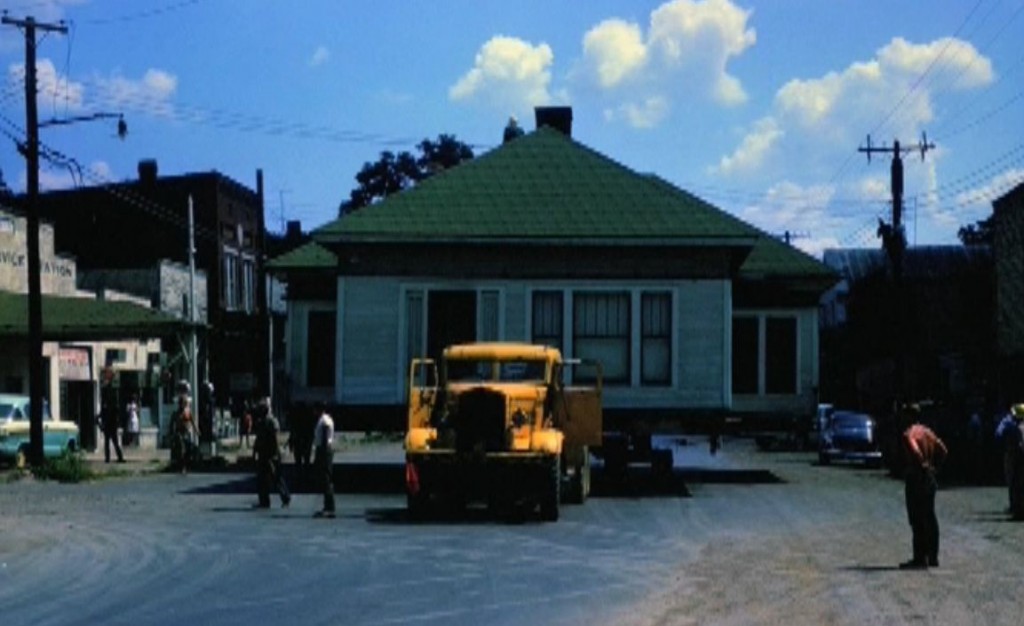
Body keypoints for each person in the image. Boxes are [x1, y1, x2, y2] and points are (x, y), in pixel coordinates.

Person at [899, 404, 948, 569]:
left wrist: (922, 464)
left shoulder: (908, 434)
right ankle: (933, 556)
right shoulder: (927, 432)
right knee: (930, 516)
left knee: (917, 518)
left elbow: (915, 450)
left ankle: (920, 557)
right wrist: (935, 467)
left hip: (916, 477)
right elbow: (943, 450)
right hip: (930, 479)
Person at [252, 397, 290, 509]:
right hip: (263, 454)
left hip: (270, 454)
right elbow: (258, 439)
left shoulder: (272, 421)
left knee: (275, 477)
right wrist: (255, 452)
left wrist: (276, 453)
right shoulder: (261, 421)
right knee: (262, 479)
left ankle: (285, 497)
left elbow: (275, 439)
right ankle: (264, 501)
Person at [995, 404, 1024, 516]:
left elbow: (998, 434)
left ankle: (1017, 508)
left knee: (1015, 482)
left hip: (1017, 458)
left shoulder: (1014, 427)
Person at [312, 402, 336, 518]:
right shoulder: (324, 419)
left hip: (324, 451)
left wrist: (320, 455)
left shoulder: (324, 421)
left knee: (326, 479)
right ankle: (328, 505)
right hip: (324, 450)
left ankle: (329, 506)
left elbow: (325, 439)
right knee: (325, 478)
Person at [170, 391, 199, 474]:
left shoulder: (187, 412)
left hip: (187, 433)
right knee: (181, 449)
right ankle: (181, 466)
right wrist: (171, 433)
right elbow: (172, 423)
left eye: (184, 403)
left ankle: (186, 465)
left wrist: (196, 431)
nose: (183, 405)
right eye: (181, 403)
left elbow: (192, 422)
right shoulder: (175, 414)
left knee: (188, 450)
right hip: (179, 433)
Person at [100, 395, 125, 463]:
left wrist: (102, 425)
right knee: (114, 443)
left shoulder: (107, 408)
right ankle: (118, 457)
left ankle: (108, 458)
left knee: (109, 444)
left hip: (109, 428)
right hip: (111, 428)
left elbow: (101, 416)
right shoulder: (112, 408)